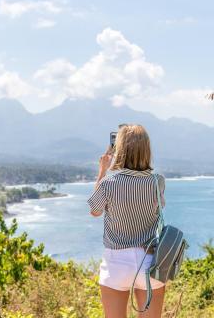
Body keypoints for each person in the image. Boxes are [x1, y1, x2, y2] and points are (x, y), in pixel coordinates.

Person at [87, 124, 166, 318]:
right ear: (146, 149)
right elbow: (158, 208)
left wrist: (102, 171)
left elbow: (95, 211)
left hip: (116, 262)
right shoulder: (158, 181)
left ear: (119, 150)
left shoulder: (108, 183)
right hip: (150, 261)